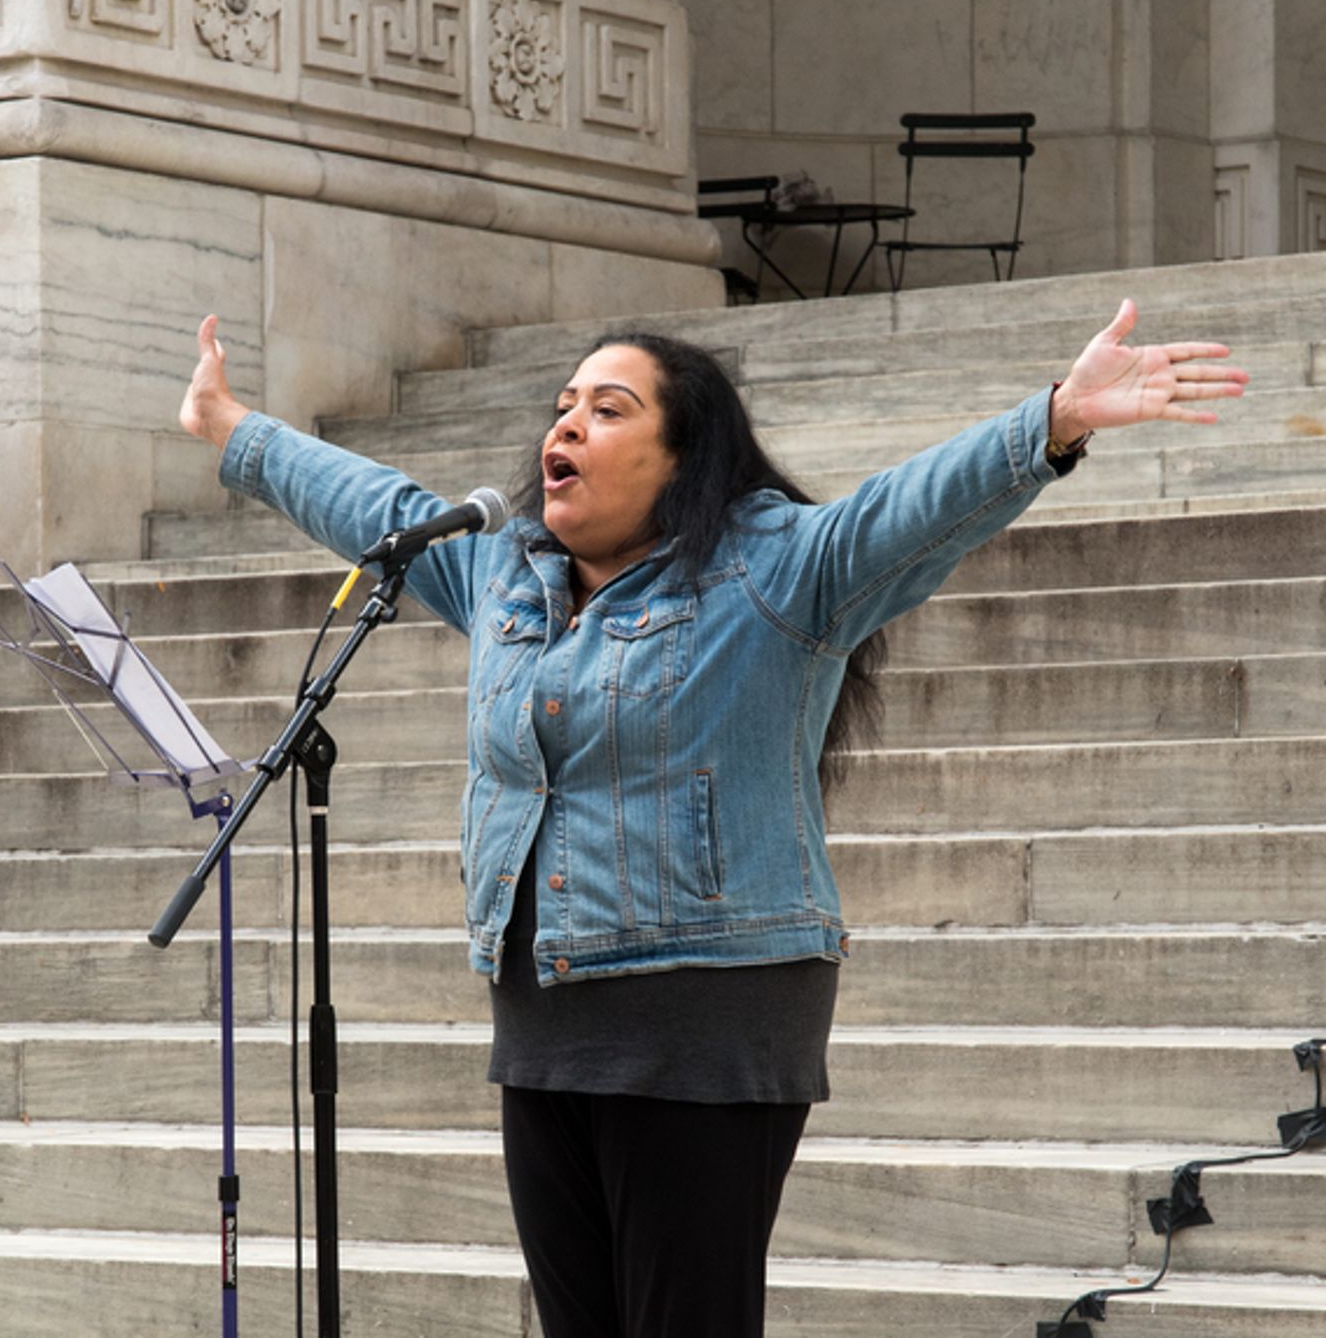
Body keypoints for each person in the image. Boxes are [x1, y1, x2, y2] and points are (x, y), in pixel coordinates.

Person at [179, 297, 1247, 1338]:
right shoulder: (503, 577)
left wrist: (1052, 419)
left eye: (607, 408)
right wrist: (233, 429)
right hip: (545, 1019)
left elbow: (907, 509)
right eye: (563, 405)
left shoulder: (772, 567)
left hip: (706, 1013)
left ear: (682, 457)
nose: (565, 425)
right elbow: (376, 503)